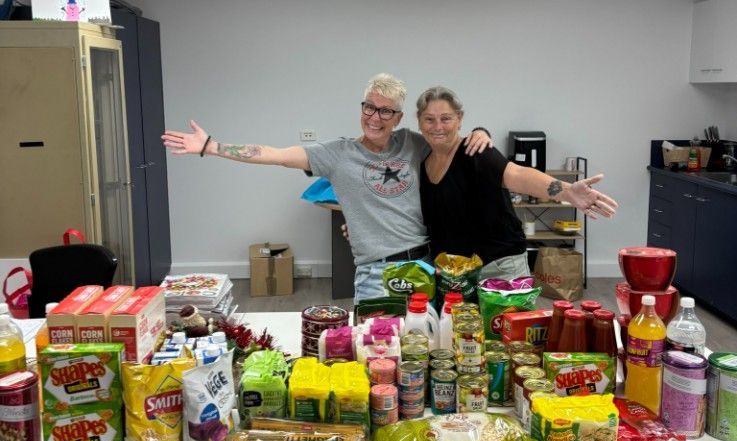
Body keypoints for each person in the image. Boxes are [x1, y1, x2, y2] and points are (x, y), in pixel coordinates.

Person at [162, 74, 491, 300]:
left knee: (421, 357)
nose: (375, 117)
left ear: (398, 116)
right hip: (375, 276)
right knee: (376, 363)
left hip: (422, 265)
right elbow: (274, 155)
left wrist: (480, 131)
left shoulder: (412, 143)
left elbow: (447, 140)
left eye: (385, 111)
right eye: (369, 107)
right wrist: (211, 146)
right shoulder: (337, 154)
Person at [416, 86, 618, 280]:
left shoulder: (475, 151)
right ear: (419, 122)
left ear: (459, 119)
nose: (438, 127)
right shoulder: (423, 162)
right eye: (429, 119)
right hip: (454, 274)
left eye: (446, 118)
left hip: (497, 268)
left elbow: (518, 174)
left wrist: (566, 191)